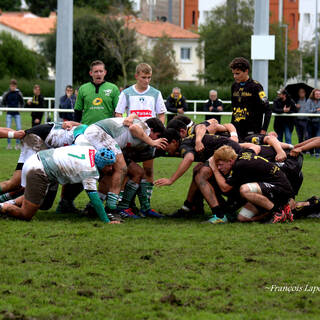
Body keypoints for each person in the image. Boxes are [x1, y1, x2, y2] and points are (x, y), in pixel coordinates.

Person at [0, 145, 120, 224]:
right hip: (39, 170)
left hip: (38, 159)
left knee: (43, 201)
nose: (110, 169)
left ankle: (7, 203)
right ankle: (2, 207)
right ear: (100, 163)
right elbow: (94, 199)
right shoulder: (89, 171)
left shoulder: (91, 149)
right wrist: (106, 221)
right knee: (26, 214)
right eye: (108, 165)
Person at [208, 145, 294, 224]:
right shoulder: (243, 153)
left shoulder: (239, 166)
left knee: (244, 190)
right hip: (269, 189)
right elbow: (256, 147)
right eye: (217, 165)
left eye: (220, 165)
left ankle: (277, 212)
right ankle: (274, 213)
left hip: (280, 187)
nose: (219, 168)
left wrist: (214, 169)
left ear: (230, 161)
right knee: (242, 218)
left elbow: (225, 188)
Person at [229, 57, 271, 141]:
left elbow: (268, 110)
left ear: (246, 71)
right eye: (233, 74)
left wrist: (263, 130)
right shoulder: (234, 86)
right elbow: (234, 110)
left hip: (252, 131)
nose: (235, 76)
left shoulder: (256, 86)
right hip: (237, 131)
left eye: (237, 73)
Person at [74, 60, 120, 125]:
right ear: (91, 73)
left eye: (101, 71)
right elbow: (78, 111)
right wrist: (75, 126)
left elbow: (118, 111)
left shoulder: (113, 88)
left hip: (107, 129)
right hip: (87, 128)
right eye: (96, 72)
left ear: (105, 72)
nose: (99, 74)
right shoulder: (83, 88)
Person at [1, 79, 24, 150]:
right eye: (11, 85)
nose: (12, 87)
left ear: (16, 86)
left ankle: (17, 144)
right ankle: (9, 144)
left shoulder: (18, 93)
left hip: (17, 113)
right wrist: (5, 108)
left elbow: (22, 102)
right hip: (9, 113)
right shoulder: (7, 93)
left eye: (14, 86)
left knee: (19, 128)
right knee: (7, 129)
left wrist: (20, 109)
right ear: (10, 85)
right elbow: (2, 102)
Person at [306, 88, 320, 157]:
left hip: (318, 122)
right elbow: (308, 111)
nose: (318, 95)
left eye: (319, 94)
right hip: (310, 122)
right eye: (317, 94)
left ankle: (317, 153)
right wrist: (316, 110)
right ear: (313, 94)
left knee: (318, 137)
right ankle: (311, 153)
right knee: (311, 138)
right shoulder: (309, 101)